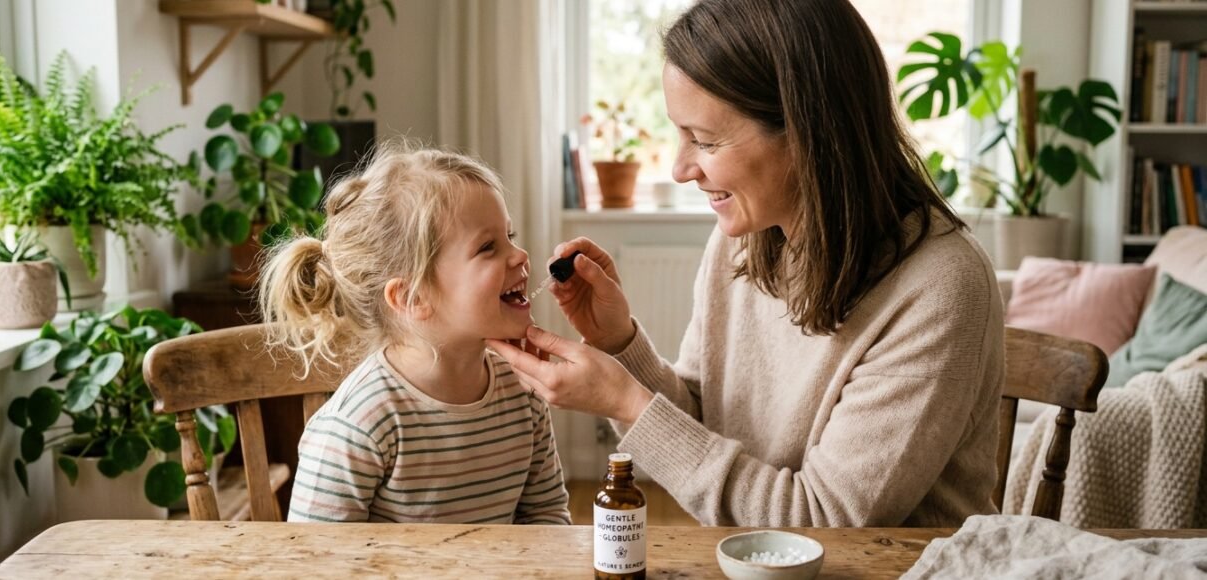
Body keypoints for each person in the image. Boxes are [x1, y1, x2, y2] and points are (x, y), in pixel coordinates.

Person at [488, 0, 1004, 528]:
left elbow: (826, 523)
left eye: (705, 141)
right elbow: (704, 423)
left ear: (808, 133)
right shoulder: (744, 239)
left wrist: (625, 402)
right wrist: (620, 343)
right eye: (680, 134)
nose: (681, 167)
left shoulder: (941, 286)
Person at [261, 144, 570, 525]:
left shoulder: (523, 394)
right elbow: (317, 564)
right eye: (488, 247)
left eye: (510, 235)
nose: (520, 255)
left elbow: (546, 515)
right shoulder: (358, 426)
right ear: (413, 297)